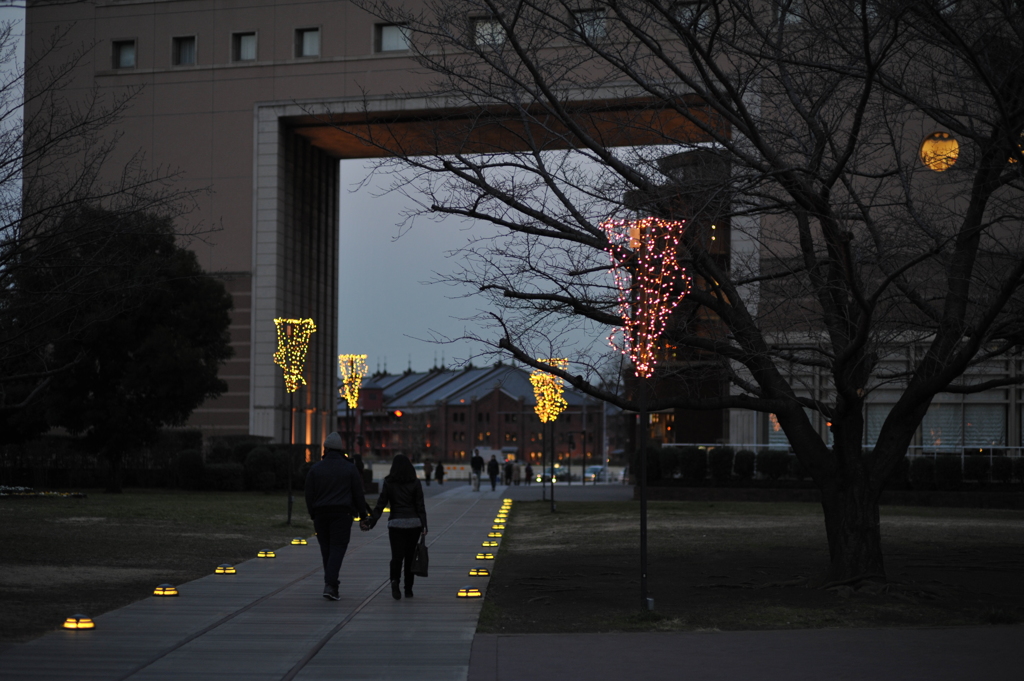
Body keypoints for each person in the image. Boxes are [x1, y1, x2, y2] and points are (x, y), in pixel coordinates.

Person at [304, 432, 370, 601]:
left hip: (320, 514)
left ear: (325, 449)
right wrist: (363, 516)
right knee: (338, 548)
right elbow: (358, 494)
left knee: (326, 550)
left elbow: (309, 494)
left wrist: (313, 513)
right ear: (341, 449)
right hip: (342, 514)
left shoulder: (315, 468)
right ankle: (331, 585)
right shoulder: (349, 468)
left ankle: (331, 584)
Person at [365, 454, 427, 600]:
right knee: (410, 557)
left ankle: (395, 581)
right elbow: (420, 506)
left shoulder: (388, 482)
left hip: (396, 523)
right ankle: (408, 589)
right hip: (413, 524)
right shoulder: (415, 483)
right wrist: (424, 524)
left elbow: (381, 504)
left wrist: (372, 521)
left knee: (397, 556)